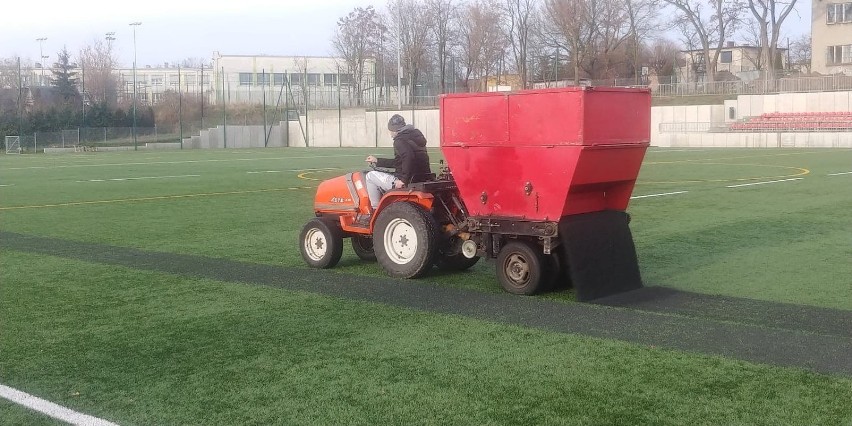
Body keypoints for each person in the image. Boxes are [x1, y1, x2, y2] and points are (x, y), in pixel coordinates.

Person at [364, 114, 432, 210]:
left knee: (370, 176)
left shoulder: (399, 140)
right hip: (422, 177)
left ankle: (375, 210)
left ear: (394, 130)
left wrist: (403, 180)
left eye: (390, 131)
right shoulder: (415, 138)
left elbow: (409, 157)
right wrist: (377, 161)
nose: (390, 134)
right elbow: (400, 162)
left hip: (407, 180)